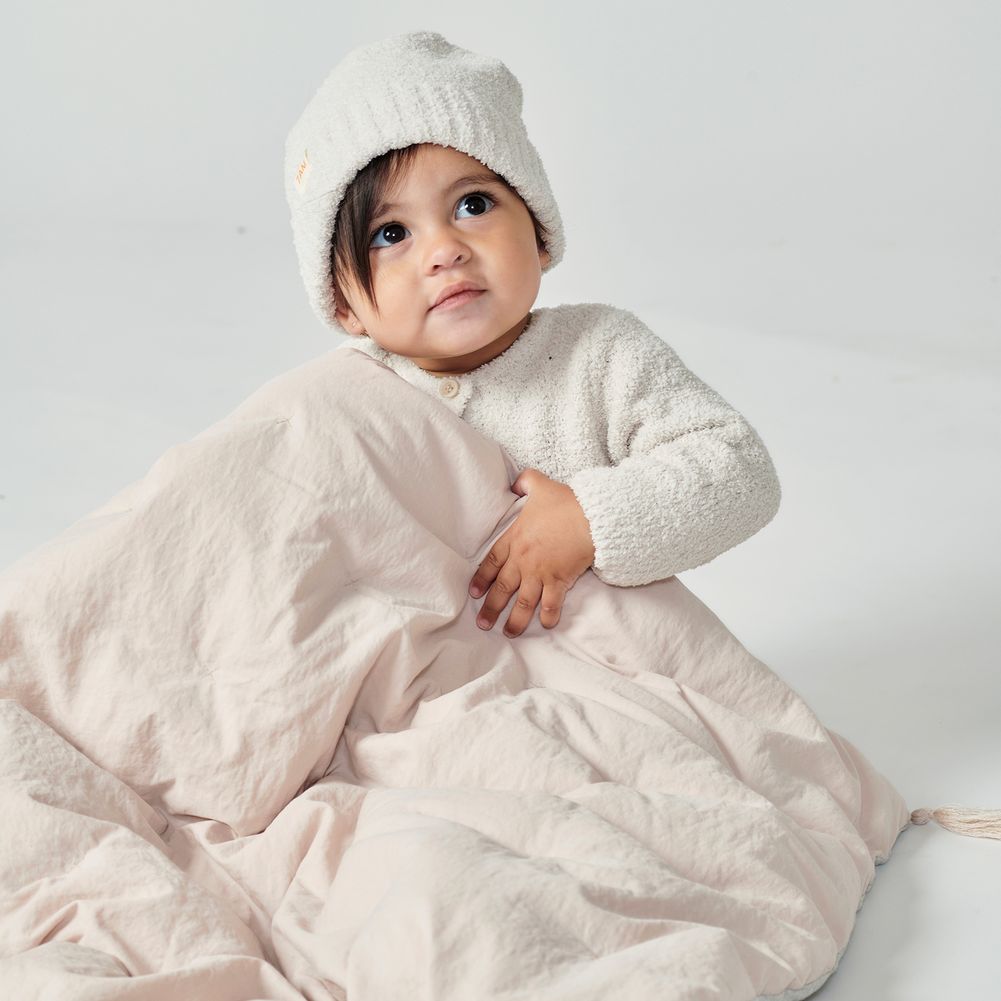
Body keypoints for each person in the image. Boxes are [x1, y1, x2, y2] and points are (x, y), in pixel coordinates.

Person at [284, 30, 782, 642]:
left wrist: (589, 521)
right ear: (343, 303)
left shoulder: (598, 352)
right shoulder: (349, 400)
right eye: (390, 235)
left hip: (602, 656)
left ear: (539, 228)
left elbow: (740, 472)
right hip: (427, 670)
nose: (444, 250)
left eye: (472, 205)